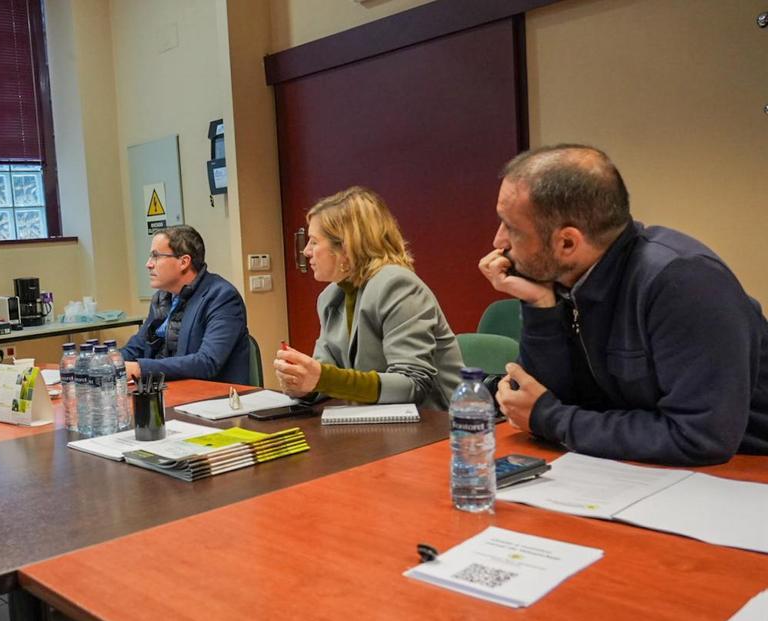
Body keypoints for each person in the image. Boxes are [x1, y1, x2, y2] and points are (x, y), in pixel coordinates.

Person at [479, 144, 768, 466]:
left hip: (747, 467)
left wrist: (551, 419)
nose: (498, 242)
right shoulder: (566, 280)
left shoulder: (682, 282)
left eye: (512, 228)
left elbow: (699, 437)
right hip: (654, 466)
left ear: (567, 242)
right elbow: (542, 399)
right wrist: (540, 306)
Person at [274, 187, 463, 409]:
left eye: (314, 242)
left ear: (346, 247)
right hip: (379, 420)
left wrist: (322, 378)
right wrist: (304, 386)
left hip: (440, 422)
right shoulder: (331, 297)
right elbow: (326, 372)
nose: (306, 251)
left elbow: (412, 384)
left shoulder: (397, 286)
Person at [121, 226, 252, 384]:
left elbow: (207, 363)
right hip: (166, 390)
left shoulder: (222, 297)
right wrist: (107, 362)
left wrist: (140, 369)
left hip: (209, 394)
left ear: (184, 262)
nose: (148, 264)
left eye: (156, 256)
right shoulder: (162, 297)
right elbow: (137, 347)